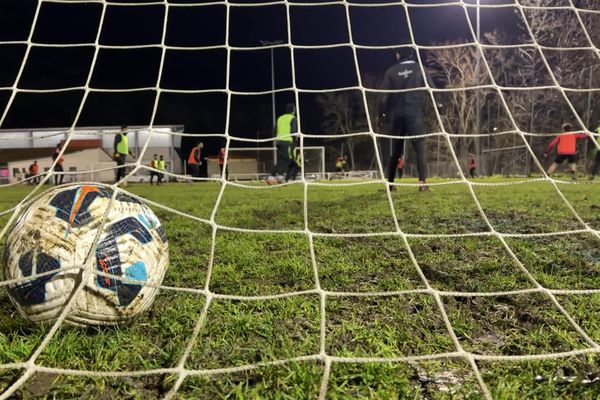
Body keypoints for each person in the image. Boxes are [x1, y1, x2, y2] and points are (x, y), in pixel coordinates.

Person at [381, 48, 435, 192]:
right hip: (415, 115)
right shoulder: (419, 68)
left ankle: (390, 185)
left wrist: (384, 113)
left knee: (396, 152)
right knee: (420, 150)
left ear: (398, 54)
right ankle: (422, 184)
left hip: (397, 117)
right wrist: (439, 105)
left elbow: (383, 97)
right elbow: (432, 89)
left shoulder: (390, 71)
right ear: (411, 53)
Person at [266, 103, 297, 185]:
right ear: (293, 110)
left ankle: (279, 177)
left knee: (281, 160)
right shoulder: (293, 118)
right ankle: (272, 176)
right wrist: (296, 139)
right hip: (287, 142)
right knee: (286, 160)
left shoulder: (280, 118)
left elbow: (274, 131)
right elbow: (293, 131)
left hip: (279, 142)